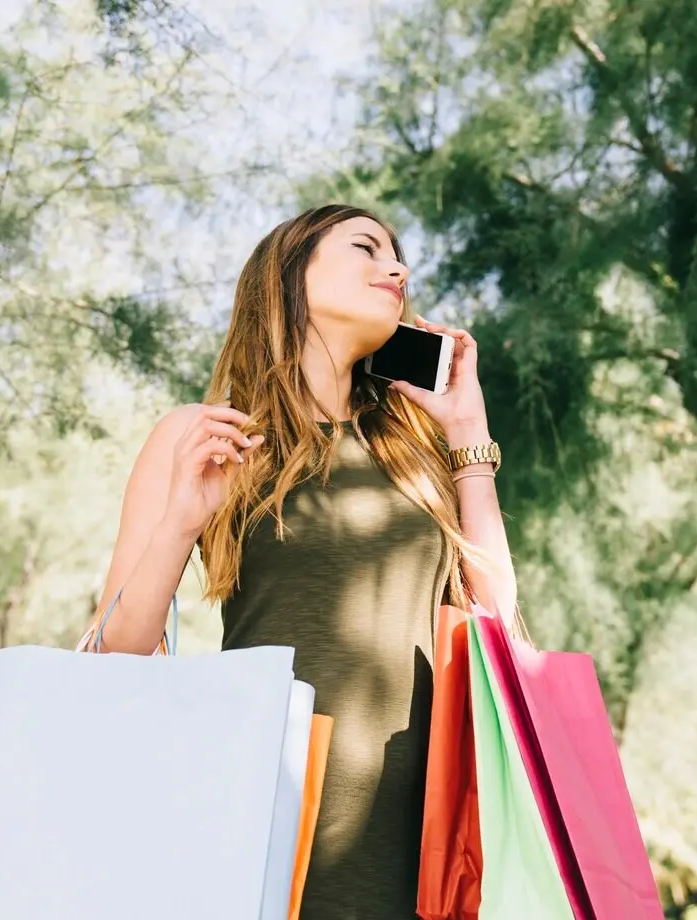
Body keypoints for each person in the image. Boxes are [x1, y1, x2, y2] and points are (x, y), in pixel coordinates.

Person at [92, 204, 517, 919]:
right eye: (365, 247)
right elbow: (115, 655)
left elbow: (498, 627)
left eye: (399, 256)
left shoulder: (414, 452)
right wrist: (183, 520)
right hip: (257, 827)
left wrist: (470, 440)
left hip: (420, 842)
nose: (396, 268)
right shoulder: (204, 438)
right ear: (291, 275)